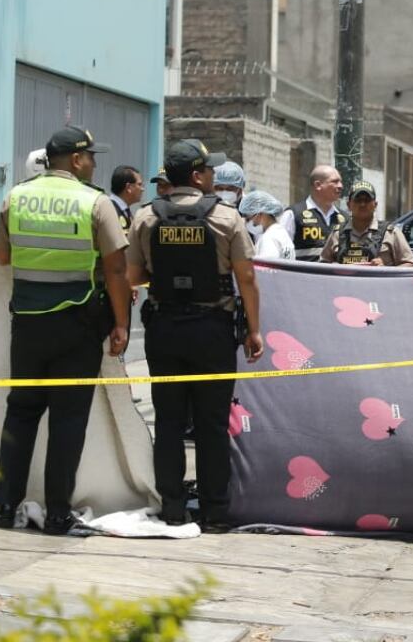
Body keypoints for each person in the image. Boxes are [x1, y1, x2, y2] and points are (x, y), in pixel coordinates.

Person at [0, 126, 133, 535]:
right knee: (68, 422)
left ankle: (4, 507)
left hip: (28, 325)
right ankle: (56, 514)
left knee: (20, 414)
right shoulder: (95, 203)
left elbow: (2, 257)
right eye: (90, 157)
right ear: (75, 160)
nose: (93, 164)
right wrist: (121, 323)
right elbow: (117, 268)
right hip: (77, 325)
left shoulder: (16, 196)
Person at [126, 139, 264, 533]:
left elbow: (133, 277)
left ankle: (172, 506)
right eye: (210, 171)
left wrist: (169, 278)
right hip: (212, 331)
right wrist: (254, 330)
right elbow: (247, 278)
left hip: (165, 330)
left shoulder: (146, 217)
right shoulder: (226, 217)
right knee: (212, 423)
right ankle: (215, 512)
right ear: (198, 175)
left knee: (168, 422)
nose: (213, 177)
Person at [320, 181, 413, 266]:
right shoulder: (337, 233)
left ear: (375, 205)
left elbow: (410, 263)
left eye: (367, 200)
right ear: (349, 205)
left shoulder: (391, 233)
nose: (362, 204)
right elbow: (323, 265)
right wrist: (335, 267)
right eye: (358, 200)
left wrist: (385, 270)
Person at [279, 165, 344, 261]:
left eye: (340, 182)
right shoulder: (294, 214)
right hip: (303, 275)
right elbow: (280, 250)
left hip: (334, 275)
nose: (340, 186)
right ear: (318, 185)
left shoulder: (344, 218)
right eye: (335, 182)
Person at [239, 191, 295, 260]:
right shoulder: (282, 234)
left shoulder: (268, 238)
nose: (247, 224)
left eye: (248, 219)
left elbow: (266, 268)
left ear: (260, 214)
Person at [108, 166, 143, 232]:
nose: (142, 189)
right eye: (139, 184)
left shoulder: (125, 211)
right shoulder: (109, 210)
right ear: (129, 187)